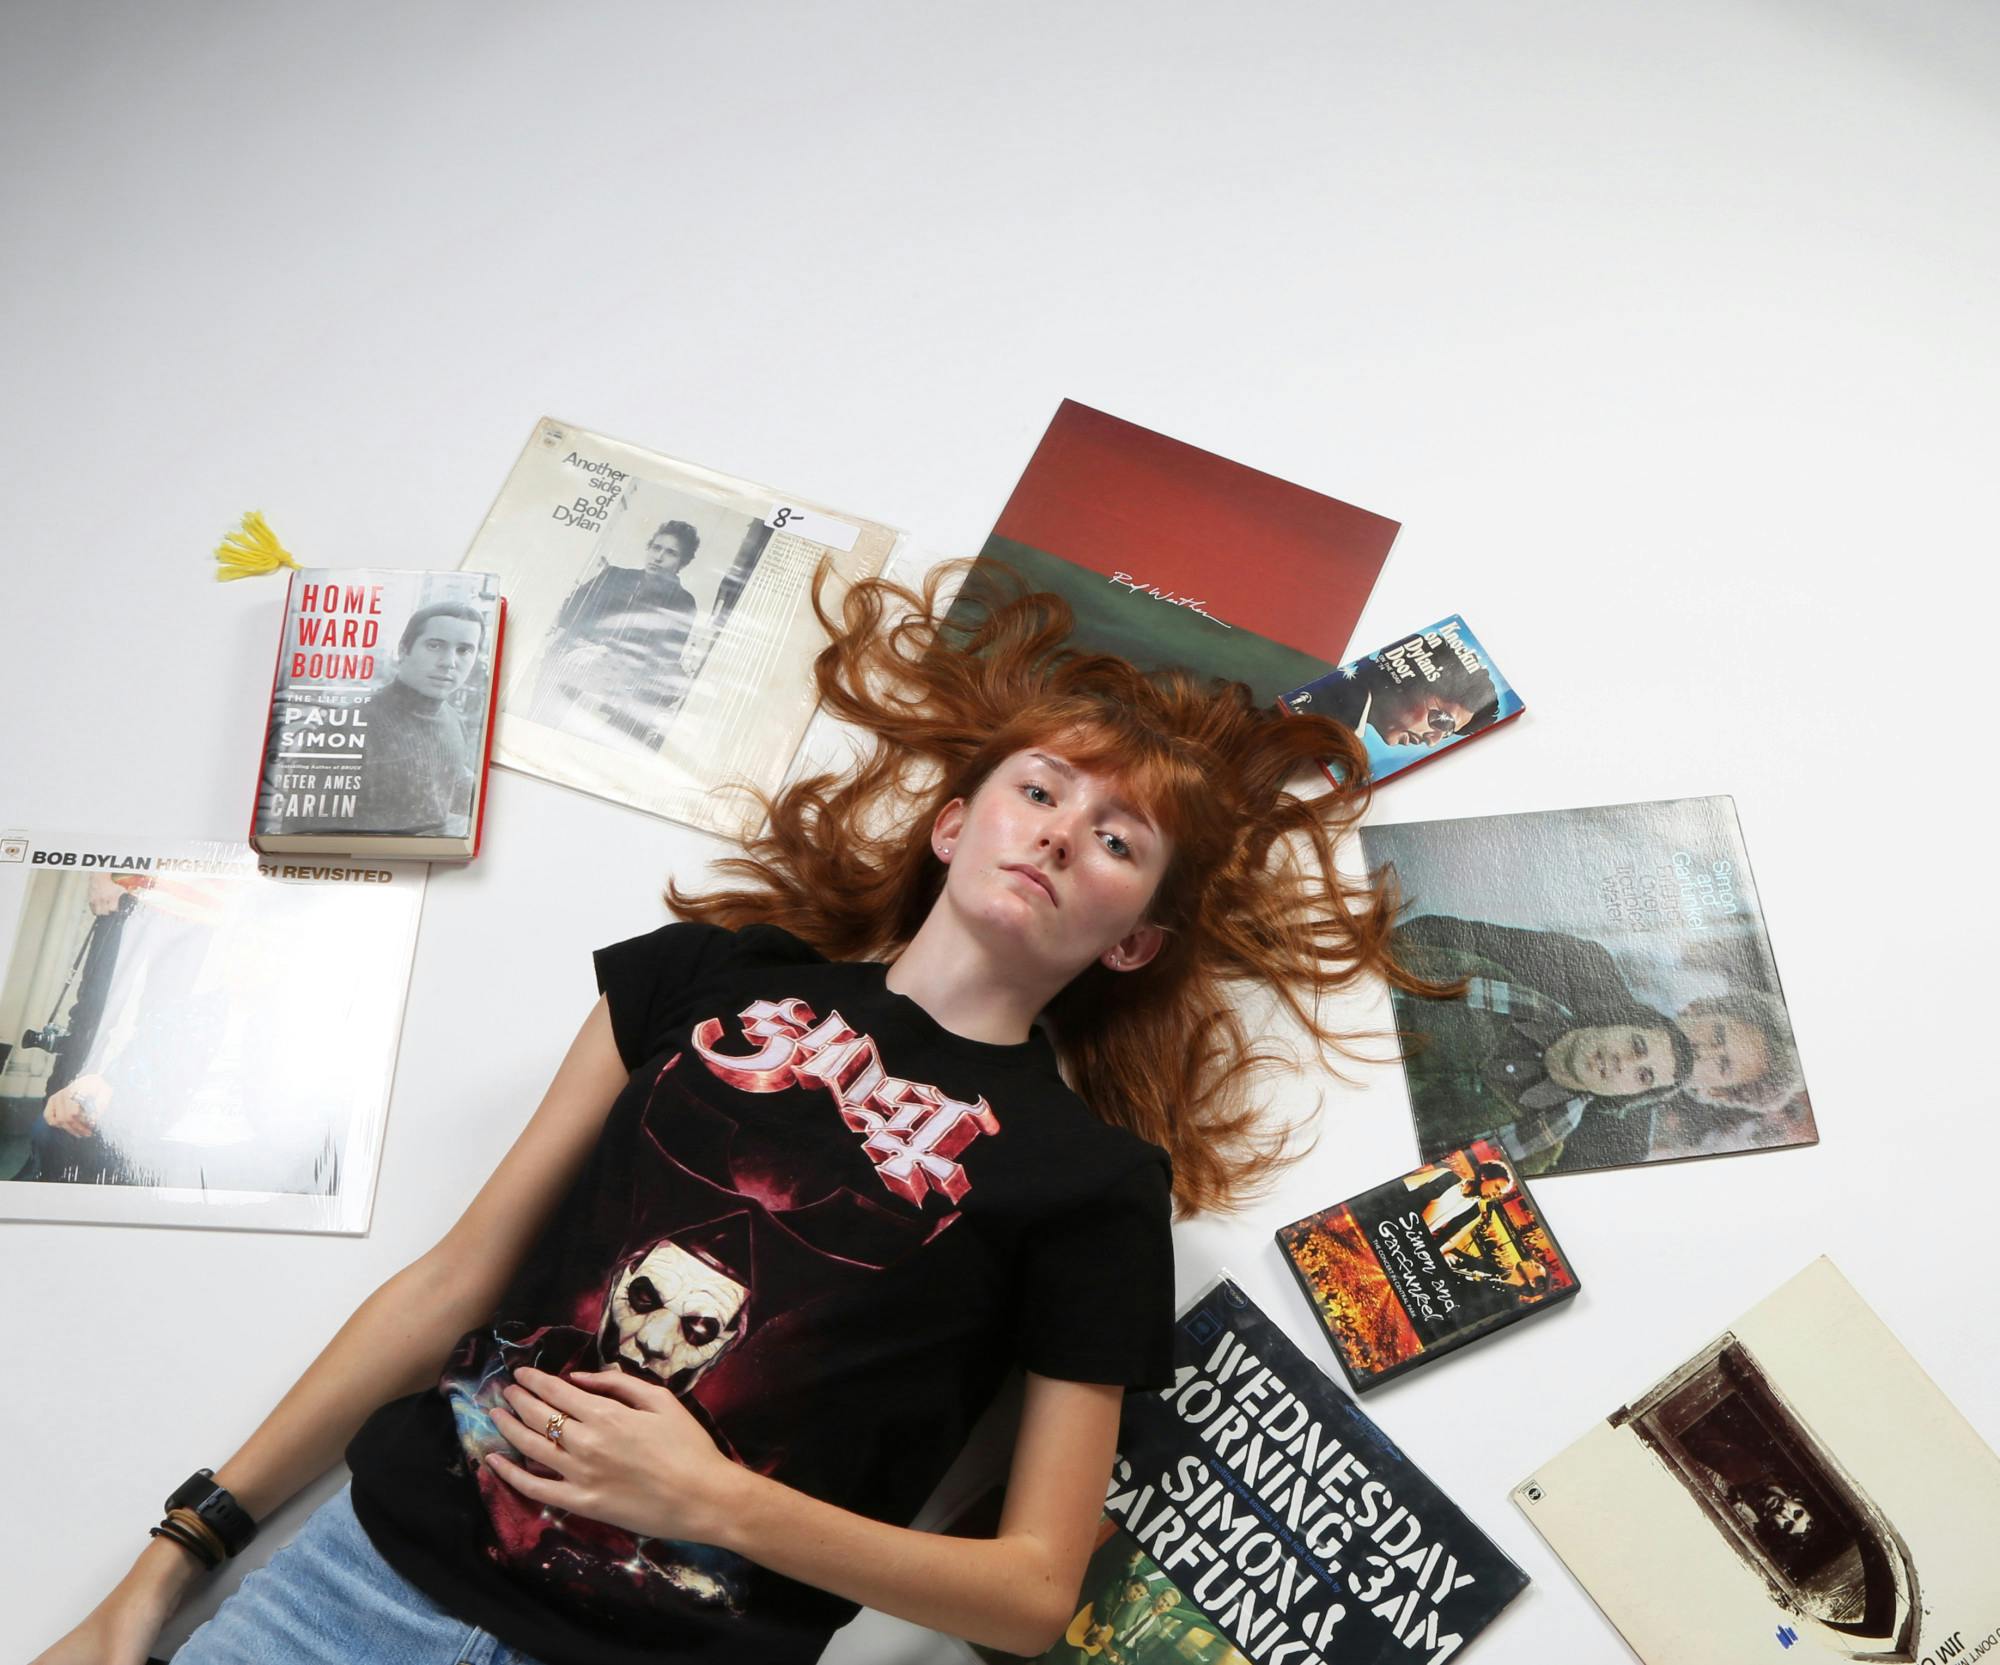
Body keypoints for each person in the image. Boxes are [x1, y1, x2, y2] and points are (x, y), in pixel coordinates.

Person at [34, 566, 1422, 1665]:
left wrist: (714, 1504)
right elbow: (454, 1278)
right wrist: (165, 1567)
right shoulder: (707, 976)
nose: (1061, 830)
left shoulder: (1091, 1185)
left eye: (1120, 838)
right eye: (1038, 788)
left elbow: (1030, 1592)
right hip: (348, 1596)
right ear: (954, 824)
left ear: (1135, 942)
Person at [1390, 913, 1799, 1173]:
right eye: (1717, 1035)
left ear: (1711, 1092)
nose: (1704, 1050)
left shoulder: (1618, 1149)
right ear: (1699, 1007)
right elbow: (1432, 934)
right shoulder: (1586, 963)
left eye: (1722, 1065)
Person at [530, 518, 704, 747]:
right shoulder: (614, 576)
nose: (658, 557)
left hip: (624, 678)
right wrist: (582, 647)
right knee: (544, 717)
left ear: (682, 562)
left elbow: (664, 654)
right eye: (656, 547)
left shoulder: (683, 602)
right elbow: (573, 614)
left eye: (670, 553)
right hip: (579, 660)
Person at [352, 600, 486, 836]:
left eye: (464, 650)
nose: (449, 662)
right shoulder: (352, 724)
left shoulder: (454, 720)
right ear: (404, 650)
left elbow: (447, 788)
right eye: (434, 646)